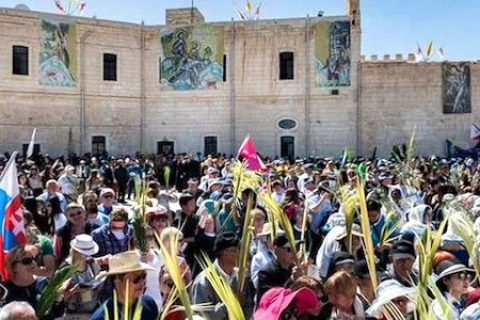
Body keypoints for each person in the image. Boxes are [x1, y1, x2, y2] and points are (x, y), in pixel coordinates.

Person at [90, 251, 158, 320]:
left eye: (144, 276)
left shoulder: (149, 303)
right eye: (136, 278)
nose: (142, 282)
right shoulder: (102, 317)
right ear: (118, 282)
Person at [2, 245, 64, 320]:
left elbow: (58, 313)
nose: (33, 263)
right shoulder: (4, 290)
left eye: (33, 258)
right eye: (26, 261)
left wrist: (58, 299)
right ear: (13, 267)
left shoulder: (45, 283)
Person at [191, 232, 240, 320]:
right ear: (225, 254)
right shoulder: (204, 281)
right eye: (236, 251)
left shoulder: (240, 277)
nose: (240, 254)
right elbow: (201, 315)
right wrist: (230, 305)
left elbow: (249, 306)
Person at [61, 234, 103, 319]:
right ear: (75, 251)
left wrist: (97, 285)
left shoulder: (91, 263)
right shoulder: (66, 268)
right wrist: (74, 290)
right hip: (72, 315)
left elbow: (98, 283)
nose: (85, 256)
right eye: (83, 253)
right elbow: (59, 298)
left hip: (92, 313)